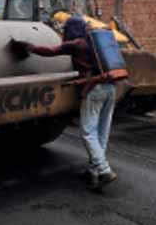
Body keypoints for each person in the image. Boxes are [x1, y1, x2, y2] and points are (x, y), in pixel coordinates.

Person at [19, 16, 118, 189]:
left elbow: (51, 51)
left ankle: (104, 170)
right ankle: (94, 170)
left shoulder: (76, 44)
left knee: (88, 132)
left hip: (94, 89)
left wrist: (30, 47)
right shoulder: (95, 42)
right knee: (101, 131)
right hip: (111, 87)